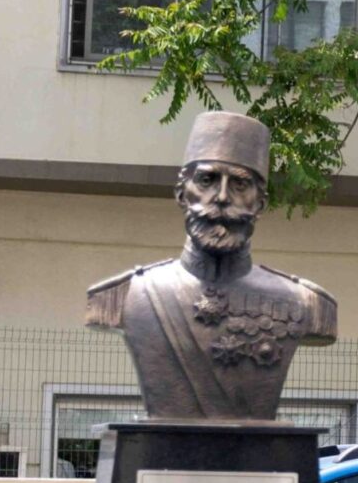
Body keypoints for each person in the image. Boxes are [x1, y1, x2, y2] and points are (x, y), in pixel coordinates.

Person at [84, 111, 337, 419]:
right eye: (207, 180)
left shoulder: (307, 304)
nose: (221, 197)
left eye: (240, 184)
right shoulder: (121, 296)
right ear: (182, 194)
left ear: (260, 204)